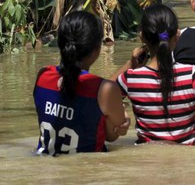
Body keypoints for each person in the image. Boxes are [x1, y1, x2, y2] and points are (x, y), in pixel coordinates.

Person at [116, 4, 195, 145]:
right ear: (177, 35)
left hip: (146, 161)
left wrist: (130, 64)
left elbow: (100, 95)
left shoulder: (130, 79)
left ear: (142, 37)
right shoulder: (193, 75)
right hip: (186, 160)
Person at [33, 11, 129, 155]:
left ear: (60, 43)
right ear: (97, 49)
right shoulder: (106, 90)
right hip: (88, 172)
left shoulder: (43, 76)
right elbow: (111, 136)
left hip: (45, 167)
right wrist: (125, 119)